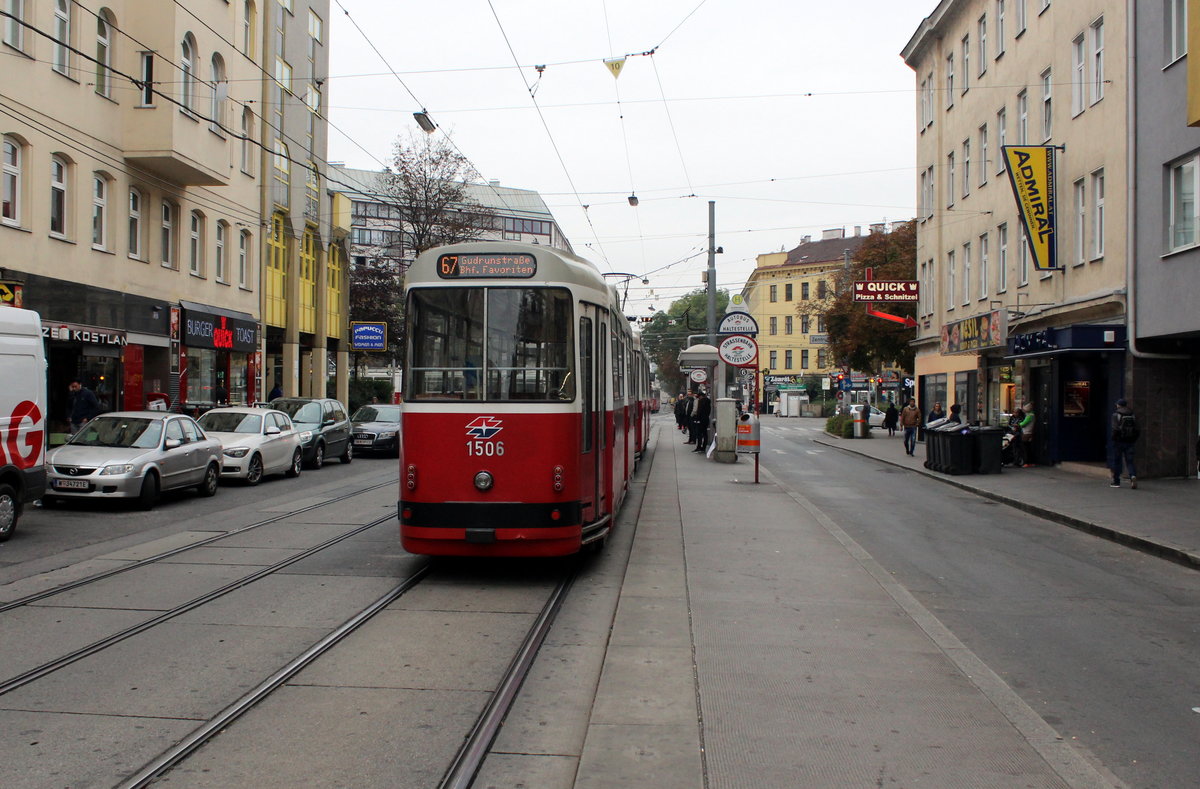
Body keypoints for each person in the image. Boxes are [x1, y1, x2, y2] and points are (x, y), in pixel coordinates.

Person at [1109, 398, 1139, 488]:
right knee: (1130, 461)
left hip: (1119, 442)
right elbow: (1137, 429)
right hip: (1130, 442)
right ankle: (1133, 476)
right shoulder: (1132, 415)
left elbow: (1115, 429)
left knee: (1117, 461)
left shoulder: (1116, 415)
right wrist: (1133, 439)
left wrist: (1114, 439)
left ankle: (1116, 481)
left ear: (1118, 405)